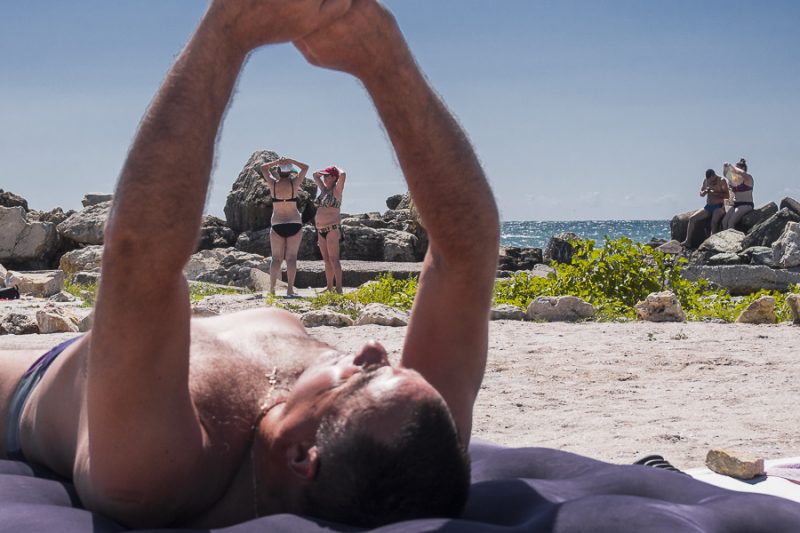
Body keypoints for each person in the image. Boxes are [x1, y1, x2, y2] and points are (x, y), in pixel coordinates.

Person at [0, 0, 499, 529]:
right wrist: (385, 61)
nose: (376, 349)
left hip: (40, 380)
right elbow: (465, 253)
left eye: (362, 376)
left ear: (301, 457)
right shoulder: (411, 434)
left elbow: (139, 256)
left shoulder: (151, 471)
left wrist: (226, 31)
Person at [260, 156, 309, 296]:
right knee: (291, 258)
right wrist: (291, 161)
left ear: (278, 171)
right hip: (294, 223)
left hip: (277, 224)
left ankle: (272, 289)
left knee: (276, 259)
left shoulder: (273, 184)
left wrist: (277, 162)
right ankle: (289, 290)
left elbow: (263, 168)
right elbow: (305, 167)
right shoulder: (294, 184)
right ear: (289, 172)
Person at [313, 165, 346, 293]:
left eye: (327, 176)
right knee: (326, 260)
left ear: (333, 177)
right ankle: (329, 287)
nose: (324, 178)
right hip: (320, 230)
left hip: (332, 229)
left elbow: (343, 175)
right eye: (324, 176)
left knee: (334, 259)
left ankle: (339, 288)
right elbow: (315, 175)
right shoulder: (323, 190)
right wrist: (322, 173)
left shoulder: (337, 191)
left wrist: (336, 168)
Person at [681, 168, 729, 248]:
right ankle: (687, 241)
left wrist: (714, 192)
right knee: (692, 219)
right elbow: (701, 193)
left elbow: (727, 196)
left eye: (711, 181)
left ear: (713, 176)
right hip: (708, 207)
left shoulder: (722, 181)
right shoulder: (706, 181)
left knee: (714, 222)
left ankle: (712, 244)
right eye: (709, 181)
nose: (710, 182)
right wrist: (705, 192)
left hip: (719, 206)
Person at [721, 157, 755, 230]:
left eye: (737, 167)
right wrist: (725, 166)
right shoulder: (735, 180)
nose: (734, 169)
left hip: (746, 204)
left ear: (742, 168)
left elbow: (741, 172)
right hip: (736, 204)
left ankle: (732, 237)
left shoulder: (748, 178)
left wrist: (732, 167)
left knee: (731, 222)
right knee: (724, 222)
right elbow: (725, 174)